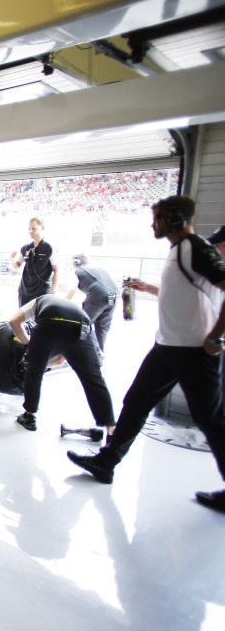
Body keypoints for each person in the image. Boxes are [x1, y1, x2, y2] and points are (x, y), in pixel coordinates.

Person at [68, 196, 225, 513]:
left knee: (210, 420)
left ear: (175, 218)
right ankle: (106, 463)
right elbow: (185, 292)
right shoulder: (176, 250)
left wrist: (215, 336)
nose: (153, 225)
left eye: (158, 219)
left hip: (195, 351)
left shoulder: (196, 247)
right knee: (136, 402)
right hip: (167, 347)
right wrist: (149, 288)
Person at [9, 295, 115, 433]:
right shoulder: (70, 306)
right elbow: (60, 360)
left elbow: (14, 321)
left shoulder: (39, 301)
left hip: (50, 322)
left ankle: (29, 417)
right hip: (82, 326)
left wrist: (29, 346)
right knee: (94, 379)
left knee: (33, 372)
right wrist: (41, 362)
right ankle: (111, 430)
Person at [65, 253, 119, 352]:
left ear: (77, 262)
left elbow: (69, 297)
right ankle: (98, 353)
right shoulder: (98, 269)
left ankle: (83, 352)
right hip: (114, 296)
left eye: (71, 262)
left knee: (84, 325)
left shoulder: (78, 272)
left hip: (98, 296)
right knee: (102, 328)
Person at [10, 217, 59, 306]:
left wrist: (53, 291)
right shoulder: (25, 248)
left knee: (40, 314)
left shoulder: (49, 248)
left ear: (42, 228)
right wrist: (12, 259)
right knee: (23, 314)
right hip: (25, 291)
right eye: (29, 229)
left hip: (42, 291)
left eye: (34, 228)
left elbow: (56, 270)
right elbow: (16, 267)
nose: (31, 231)